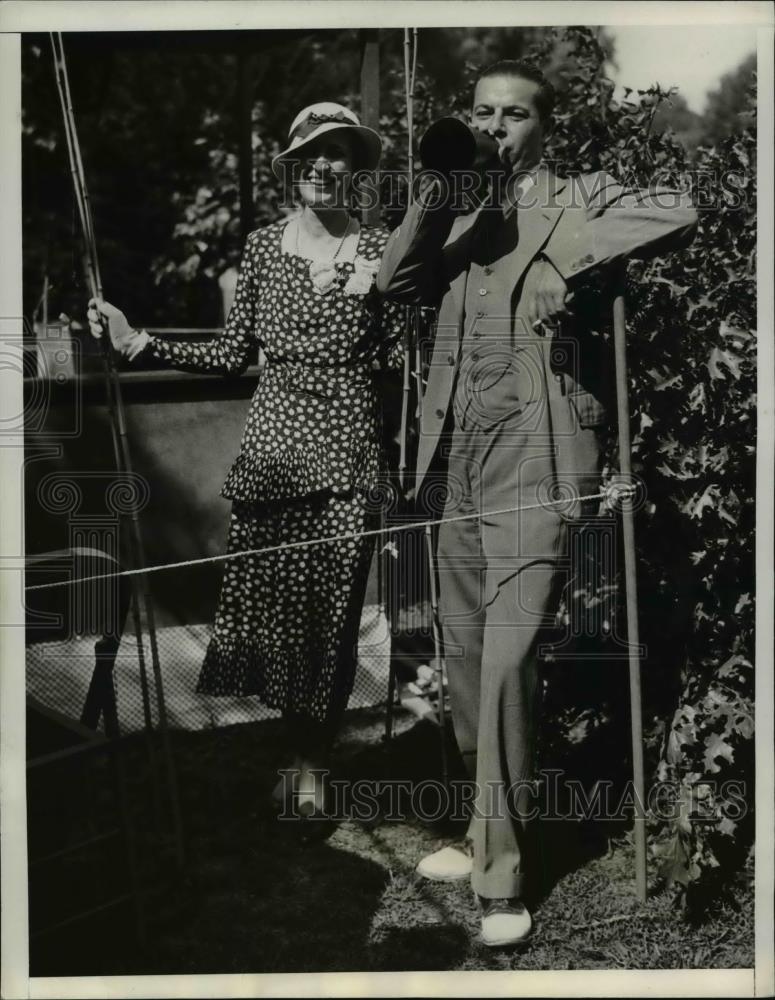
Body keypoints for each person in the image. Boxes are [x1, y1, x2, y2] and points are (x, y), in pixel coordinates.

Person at [376, 60, 698, 947]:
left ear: (543, 126)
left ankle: (503, 879)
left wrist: (566, 252)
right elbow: (394, 285)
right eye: (481, 112)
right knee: (469, 652)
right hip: (456, 460)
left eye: (512, 116)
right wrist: (439, 194)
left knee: (512, 659)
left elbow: (677, 205)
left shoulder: (577, 195)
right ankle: (486, 828)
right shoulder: (461, 212)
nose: (494, 127)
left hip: (536, 452)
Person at [88, 102, 404, 819]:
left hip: (347, 453)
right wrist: (140, 342)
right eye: (311, 154)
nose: (324, 166)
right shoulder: (263, 248)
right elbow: (234, 354)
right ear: (293, 167)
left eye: (340, 153)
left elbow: (398, 353)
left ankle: (311, 764)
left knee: (331, 619)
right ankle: (294, 754)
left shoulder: (383, 247)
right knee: (280, 618)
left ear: (355, 167)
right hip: (273, 455)